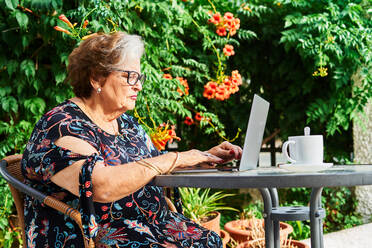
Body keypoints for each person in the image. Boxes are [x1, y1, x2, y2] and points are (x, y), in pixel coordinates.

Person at [21, 32, 242, 248]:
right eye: (130, 76)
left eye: (139, 77)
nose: (139, 86)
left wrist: (201, 159)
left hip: (150, 226)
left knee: (208, 240)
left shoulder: (126, 124)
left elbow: (151, 167)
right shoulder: (61, 125)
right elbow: (99, 187)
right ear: (97, 77)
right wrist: (176, 157)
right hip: (91, 235)